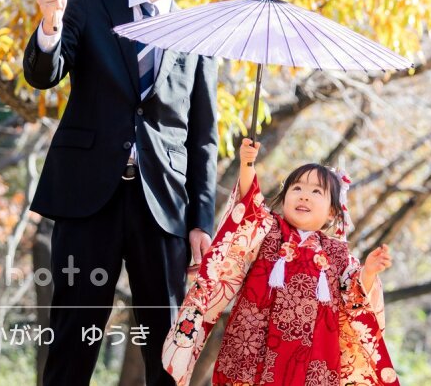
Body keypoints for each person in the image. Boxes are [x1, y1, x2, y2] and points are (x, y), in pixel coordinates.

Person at [24, 0, 220, 386]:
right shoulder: (88, 7)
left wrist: (201, 220)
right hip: (88, 196)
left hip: (164, 207)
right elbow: (42, 75)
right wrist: (50, 24)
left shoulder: (199, 36)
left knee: (168, 345)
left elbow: (203, 138)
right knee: (73, 337)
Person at [162, 138, 400, 386]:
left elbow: (354, 295)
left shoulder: (338, 254)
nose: (304, 196)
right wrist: (247, 165)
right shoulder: (268, 229)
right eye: (296, 188)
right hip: (254, 343)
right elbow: (249, 204)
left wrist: (369, 271)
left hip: (313, 356)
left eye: (316, 192)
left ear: (332, 212)